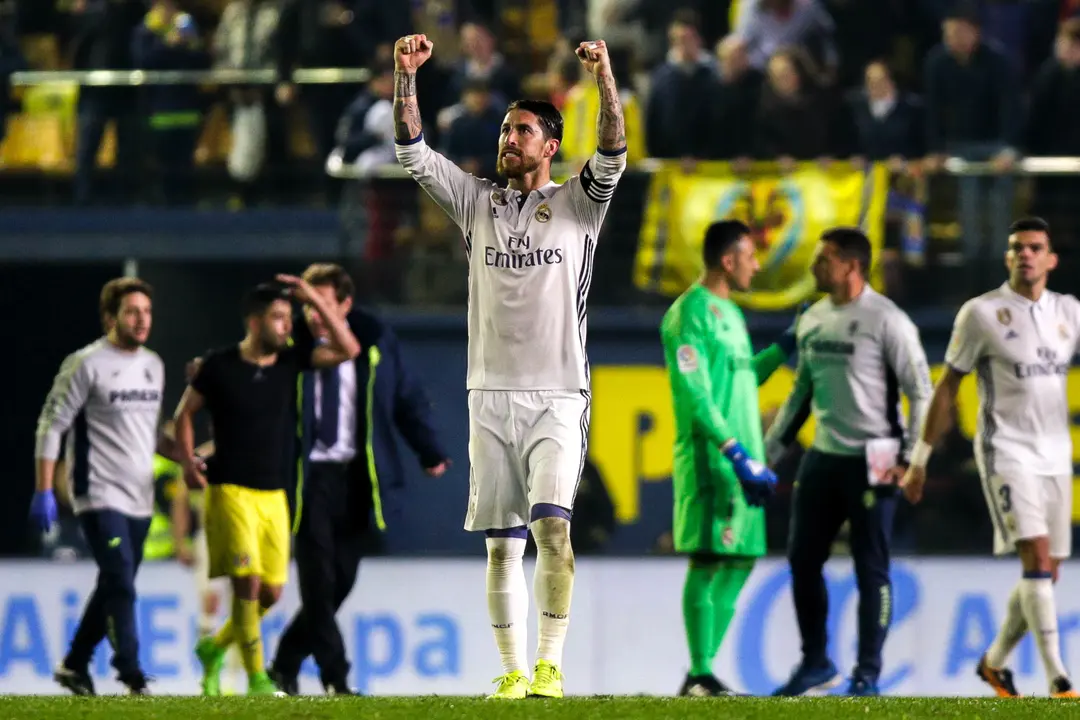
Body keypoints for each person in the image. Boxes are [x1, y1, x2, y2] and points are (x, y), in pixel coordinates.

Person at [393, 33, 627, 699]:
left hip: (557, 394)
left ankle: (549, 666)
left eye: (522, 130)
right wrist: (404, 76)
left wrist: (605, 73)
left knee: (553, 526)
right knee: (503, 545)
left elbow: (614, 145)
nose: (509, 138)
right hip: (488, 394)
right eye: (504, 128)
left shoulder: (581, 205)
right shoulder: (476, 204)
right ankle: (512, 673)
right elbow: (411, 152)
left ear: (550, 145)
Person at [901, 217, 1080, 699]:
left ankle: (994, 663)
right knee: (1037, 558)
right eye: (1017, 248)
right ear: (1007, 257)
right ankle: (1059, 680)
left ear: (1051, 259)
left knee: (1049, 569)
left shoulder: (1070, 312)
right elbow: (947, 388)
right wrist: (920, 459)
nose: (1026, 255)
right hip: (1006, 450)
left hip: (1056, 454)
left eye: (1035, 248)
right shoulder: (981, 314)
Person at [172, 276, 360, 696]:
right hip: (229, 490)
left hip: (274, 494)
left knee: (272, 593)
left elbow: (349, 349)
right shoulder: (218, 366)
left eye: (288, 318)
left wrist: (311, 297)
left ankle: (214, 647)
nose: (287, 326)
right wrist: (187, 462)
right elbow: (184, 414)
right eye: (278, 319)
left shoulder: (293, 361)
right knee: (247, 583)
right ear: (254, 323)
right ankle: (258, 678)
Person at [268, 263, 450, 696]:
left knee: (341, 581)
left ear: (345, 305)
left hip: (356, 478)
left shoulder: (374, 343)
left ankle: (285, 661)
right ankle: (337, 677)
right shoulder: (293, 347)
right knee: (317, 582)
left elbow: (405, 397)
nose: (313, 314)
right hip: (308, 476)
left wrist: (429, 448)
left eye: (323, 304)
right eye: (308, 304)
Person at [765, 228, 933, 697]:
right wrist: (769, 455)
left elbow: (921, 391)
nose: (815, 267)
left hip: (877, 457)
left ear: (851, 266)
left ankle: (868, 673)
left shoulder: (888, 320)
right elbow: (801, 393)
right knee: (801, 561)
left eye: (823, 260)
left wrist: (912, 459)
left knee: (870, 568)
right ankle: (815, 661)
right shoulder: (814, 318)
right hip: (823, 457)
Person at [659, 220, 802, 696]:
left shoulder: (732, 314)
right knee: (708, 558)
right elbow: (694, 395)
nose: (757, 265)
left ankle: (701, 673)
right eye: (751, 256)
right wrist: (735, 453)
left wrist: (785, 344)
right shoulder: (688, 315)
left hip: (747, 461)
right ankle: (700, 672)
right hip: (714, 458)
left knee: (741, 559)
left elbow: (745, 377)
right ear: (728, 259)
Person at [31, 277, 166, 696]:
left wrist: (186, 458)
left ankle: (74, 663)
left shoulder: (153, 365)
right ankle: (130, 671)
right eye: (131, 311)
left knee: (114, 582)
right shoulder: (85, 364)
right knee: (121, 579)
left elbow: (149, 433)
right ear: (110, 318)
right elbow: (52, 426)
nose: (142, 319)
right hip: (97, 491)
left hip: (140, 497)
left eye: (146, 311)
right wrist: (44, 490)